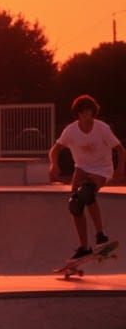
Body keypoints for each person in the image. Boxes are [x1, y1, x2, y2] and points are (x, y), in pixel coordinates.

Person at [48, 94, 125, 259]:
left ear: (93, 112)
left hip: (102, 168)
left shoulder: (102, 128)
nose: (86, 116)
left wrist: (119, 170)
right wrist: (54, 164)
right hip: (81, 168)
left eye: (89, 112)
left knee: (87, 193)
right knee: (75, 204)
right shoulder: (70, 130)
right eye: (82, 113)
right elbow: (55, 149)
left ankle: (101, 235)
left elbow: (120, 149)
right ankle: (84, 247)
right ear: (78, 114)